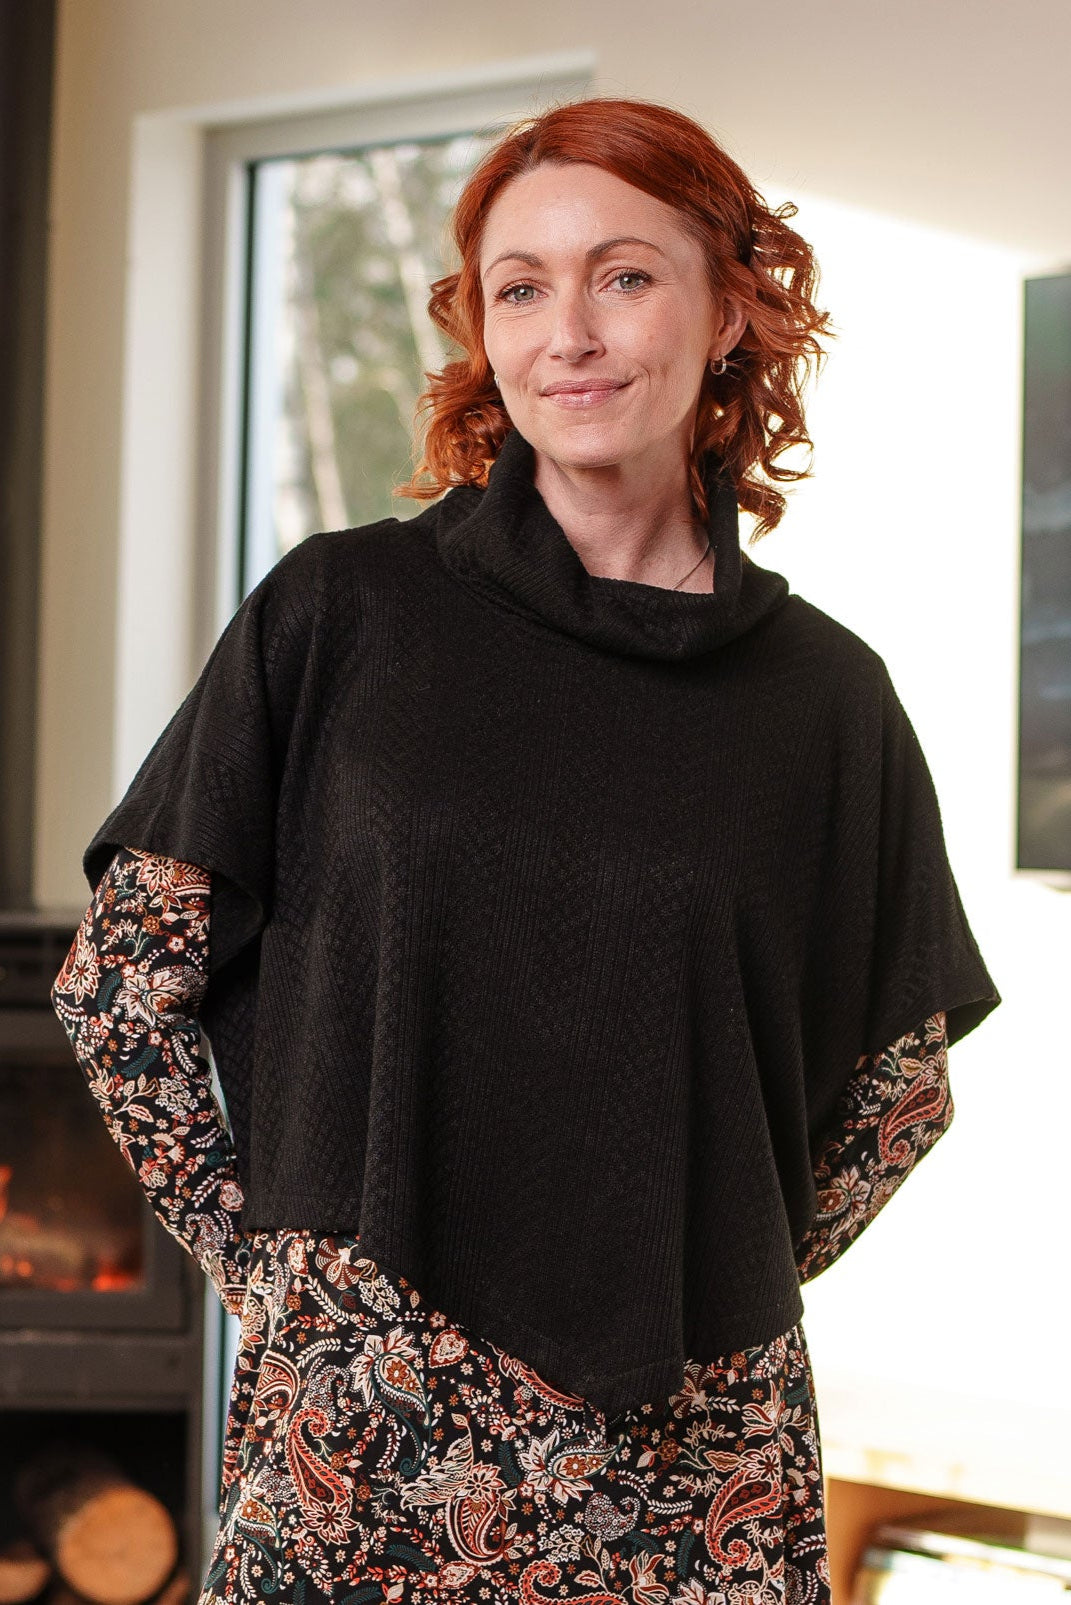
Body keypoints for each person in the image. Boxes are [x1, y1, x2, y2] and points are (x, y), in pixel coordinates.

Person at [52, 96, 1001, 1605]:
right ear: (482, 330)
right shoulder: (340, 616)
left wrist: (700, 1270)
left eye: (625, 275)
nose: (571, 332)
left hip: (700, 1460)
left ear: (730, 311)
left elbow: (897, 1089)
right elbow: (121, 987)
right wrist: (288, 1279)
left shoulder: (827, 699)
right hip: (365, 1430)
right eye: (521, 287)